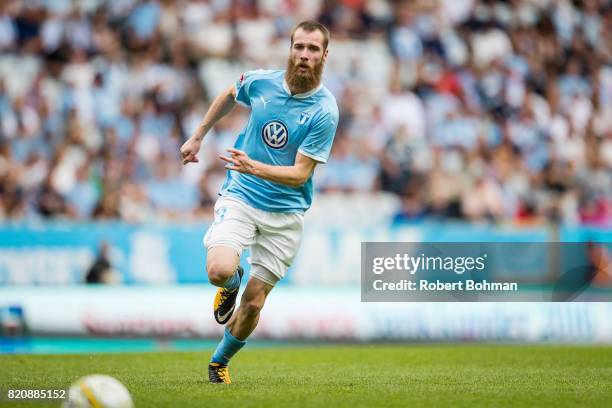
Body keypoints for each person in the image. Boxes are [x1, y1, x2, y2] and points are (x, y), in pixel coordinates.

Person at [180, 21, 339, 384]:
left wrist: (255, 165)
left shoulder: (324, 110)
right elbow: (228, 94)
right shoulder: (261, 81)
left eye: (313, 49)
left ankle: (219, 362)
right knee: (219, 270)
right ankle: (230, 284)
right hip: (242, 195)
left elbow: (301, 174)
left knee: (254, 304)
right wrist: (198, 136)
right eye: (299, 46)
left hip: (285, 214)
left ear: (324, 56)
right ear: (290, 48)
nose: (304, 55)